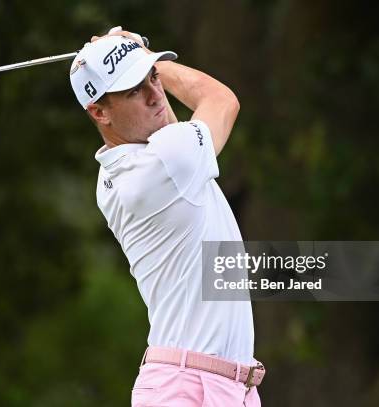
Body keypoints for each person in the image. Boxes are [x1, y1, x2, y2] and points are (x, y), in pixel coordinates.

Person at [69, 29, 265, 406]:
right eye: (133, 90)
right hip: (189, 388)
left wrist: (132, 59)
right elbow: (221, 100)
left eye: (153, 79)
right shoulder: (162, 164)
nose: (154, 94)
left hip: (217, 385)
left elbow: (168, 126)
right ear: (99, 111)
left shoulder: (124, 166)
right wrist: (150, 55)